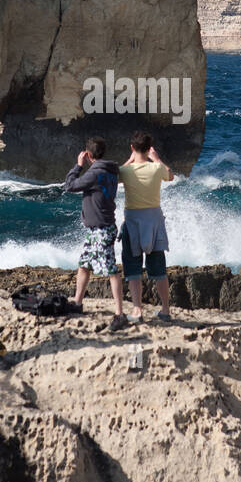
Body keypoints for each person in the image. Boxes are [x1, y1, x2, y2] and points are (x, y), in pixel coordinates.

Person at [64, 137, 127, 333]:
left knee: (111, 271)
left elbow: (70, 185)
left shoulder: (95, 173)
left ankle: (119, 314)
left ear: (89, 155)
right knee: (84, 265)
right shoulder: (110, 171)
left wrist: (78, 165)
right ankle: (77, 302)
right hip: (97, 229)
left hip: (101, 229)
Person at [118, 130, 174, 323]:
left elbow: (115, 177)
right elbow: (171, 176)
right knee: (158, 269)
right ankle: (165, 310)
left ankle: (137, 310)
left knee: (133, 268)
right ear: (149, 148)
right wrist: (157, 159)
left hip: (133, 221)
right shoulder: (157, 168)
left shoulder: (126, 171)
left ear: (133, 148)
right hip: (154, 223)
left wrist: (129, 160)